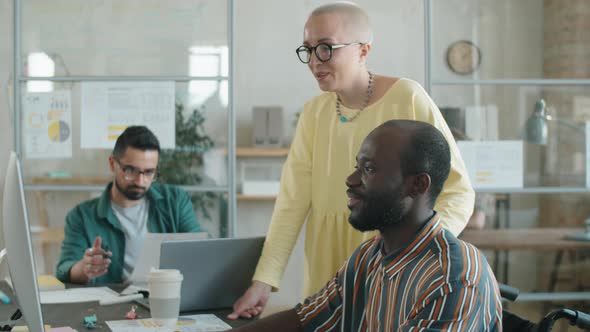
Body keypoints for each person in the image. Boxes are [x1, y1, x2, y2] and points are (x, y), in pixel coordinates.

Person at [230, 1, 475, 319]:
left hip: (391, 264)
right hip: (325, 261)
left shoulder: (408, 97)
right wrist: (264, 281)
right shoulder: (314, 112)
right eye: (308, 49)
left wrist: (413, 252)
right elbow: (292, 202)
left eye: (327, 48)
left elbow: (459, 192)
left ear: (364, 50)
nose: (315, 61)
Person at [232, 120, 502, 331]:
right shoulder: (369, 256)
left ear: (417, 184)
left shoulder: (454, 278)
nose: (350, 180)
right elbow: (305, 320)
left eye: (369, 169)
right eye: (356, 166)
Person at [56, 126, 201, 284]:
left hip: (165, 296)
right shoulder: (82, 216)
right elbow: (64, 270)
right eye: (130, 170)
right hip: (112, 304)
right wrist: (84, 268)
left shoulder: (175, 201)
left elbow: (198, 248)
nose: (140, 181)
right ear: (112, 164)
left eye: (149, 172)